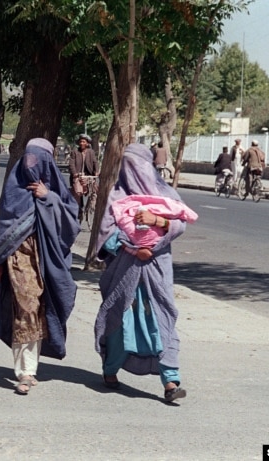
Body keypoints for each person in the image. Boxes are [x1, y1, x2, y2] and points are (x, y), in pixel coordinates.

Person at [0, 138, 81, 395]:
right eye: (28, 158)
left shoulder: (54, 189)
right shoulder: (15, 188)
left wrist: (48, 197)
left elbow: (71, 223)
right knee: (26, 308)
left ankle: (31, 367)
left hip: (48, 261)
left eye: (38, 159)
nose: (32, 164)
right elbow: (3, 226)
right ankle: (25, 372)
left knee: (41, 310)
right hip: (18, 258)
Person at [94, 143, 189, 403]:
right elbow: (105, 236)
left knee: (162, 317)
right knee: (119, 318)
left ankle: (170, 380)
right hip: (124, 270)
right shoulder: (117, 195)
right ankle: (110, 370)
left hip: (157, 269)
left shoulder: (165, 192)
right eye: (128, 165)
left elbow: (180, 224)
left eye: (138, 165)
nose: (134, 171)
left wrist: (157, 222)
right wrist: (133, 248)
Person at [68, 134, 100, 221]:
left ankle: (92, 205)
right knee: (78, 193)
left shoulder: (91, 152)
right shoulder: (75, 152)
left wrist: (96, 171)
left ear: (87, 143)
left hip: (87, 175)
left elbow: (95, 162)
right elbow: (71, 164)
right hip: (78, 176)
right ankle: (79, 210)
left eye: (84, 142)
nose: (82, 143)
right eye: (80, 141)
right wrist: (74, 173)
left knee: (94, 190)